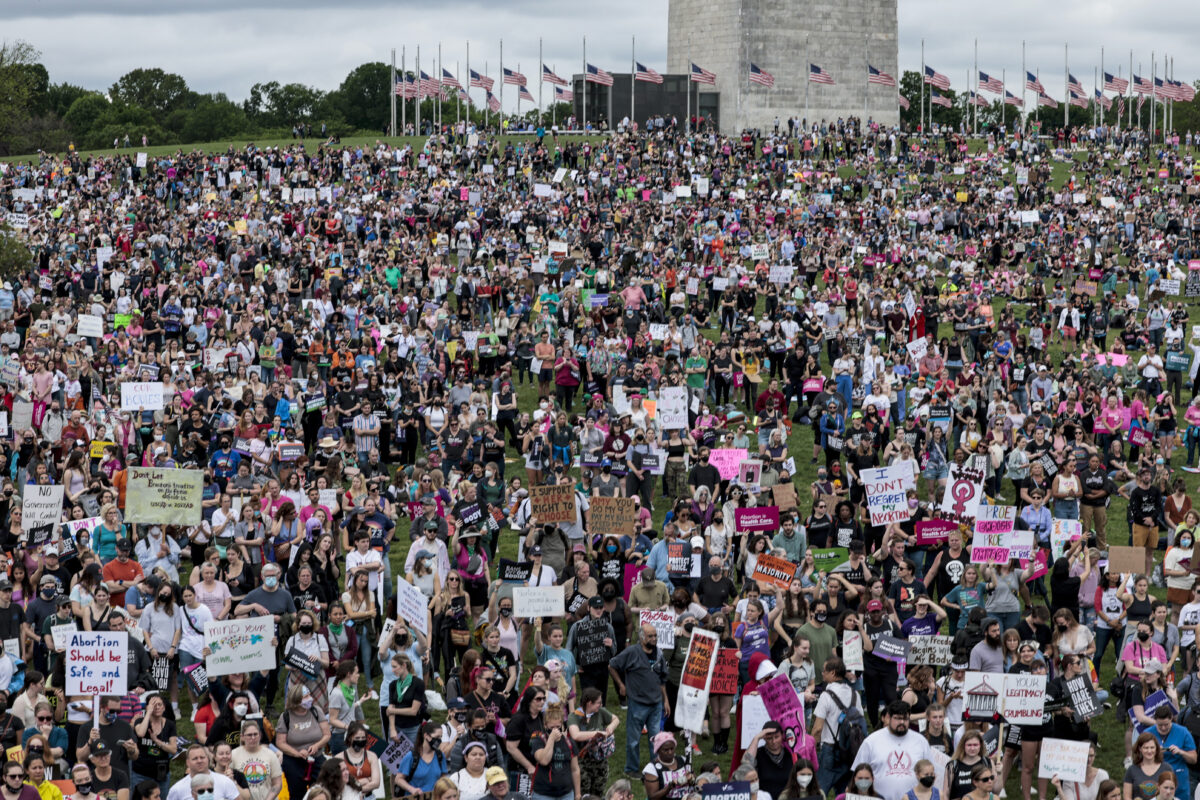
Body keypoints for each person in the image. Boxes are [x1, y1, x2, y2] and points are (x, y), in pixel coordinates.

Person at [608, 623, 668, 777]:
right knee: (633, 740)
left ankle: (656, 767)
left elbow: (662, 679)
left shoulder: (659, 654)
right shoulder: (631, 652)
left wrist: (665, 700)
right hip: (638, 703)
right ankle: (631, 769)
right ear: (642, 638)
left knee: (655, 739)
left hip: (655, 703)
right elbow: (612, 665)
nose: (654, 639)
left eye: (655, 635)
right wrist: (621, 685)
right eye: (650, 636)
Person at [851, 701, 933, 800]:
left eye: (905, 719)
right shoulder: (871, 742)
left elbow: (931, 773)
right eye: (898, 718)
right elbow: (857, 775)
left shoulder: (921, 741)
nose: (902, 722)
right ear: (888, 718)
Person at [231, 722, 284, 800]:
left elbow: (277, 784)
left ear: (260, 735)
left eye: (255, 734)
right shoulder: (233, 754)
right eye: (249, 735)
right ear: (242, 737)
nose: (253, 737)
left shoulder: (270, 754)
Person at [1123, 732, 1172, 800]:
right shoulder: (1131, 770)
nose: (1149, 751)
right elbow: (1127, 797)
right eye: (1146, 748)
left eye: (1152, 747)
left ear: (1156, 749)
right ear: (1140, 749)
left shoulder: (1166, 768)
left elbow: (1171, 793)